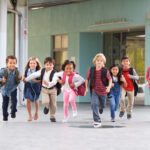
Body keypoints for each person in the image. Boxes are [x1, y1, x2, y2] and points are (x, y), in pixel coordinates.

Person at [24, 57, 58, 122]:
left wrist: (49, 83)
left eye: (50, 65)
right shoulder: (42, 71)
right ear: (45, 65)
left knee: (53, 104)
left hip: (53, 89)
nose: (49, 66)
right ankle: (46, 107)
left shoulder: (55, 72)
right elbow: (34, 75)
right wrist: (26, 79)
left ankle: (52, 116)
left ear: (53, 65)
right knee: (45, 101)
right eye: (47, 65)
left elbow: (54, 81)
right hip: (44, 89)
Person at [85, 53, 112, 128]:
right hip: (95, 90)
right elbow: (87, 79)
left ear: (103, 62)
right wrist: (86, 88)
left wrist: (109, 87)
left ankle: (101, 107)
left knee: (102, 105)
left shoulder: (105, 71)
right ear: (95, 62)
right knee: (94, 104)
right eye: (98, 60)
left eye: (101, 61)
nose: (99, 62)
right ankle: (97, 120)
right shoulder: (91, 70)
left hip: (103, 91)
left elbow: (110, 80)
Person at [0, 55, 21, 121]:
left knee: (14, 101)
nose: (12, 64)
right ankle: (5, 115)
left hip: (13, 88)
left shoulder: (17, 71)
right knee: (5, 103)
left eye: (14, 63)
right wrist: (1, 79)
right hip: (5, 89)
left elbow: (19, 79)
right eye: (10, 63)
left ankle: (13, 111)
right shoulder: (3, 71)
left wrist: (19, 78)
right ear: (7, 63)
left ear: (16, 63)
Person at [23, 57, 42, 121]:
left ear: (36, 64)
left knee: (36, 99)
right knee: (28, 100)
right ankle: (30, 115)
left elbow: (41, 81)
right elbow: (24, 76)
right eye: (31, 63)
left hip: (36, 86)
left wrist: (35, 81)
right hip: (28, 86)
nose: (32, 64)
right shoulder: (26, 70)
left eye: (34, 63)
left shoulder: (38, 71)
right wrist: (23, 79)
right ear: (29, 64)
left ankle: (36, 113)